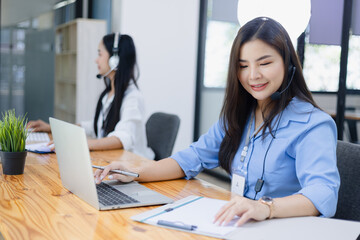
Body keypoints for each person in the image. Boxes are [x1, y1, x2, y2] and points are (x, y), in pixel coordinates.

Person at [94, 17, 340, 226]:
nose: (253, 75)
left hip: (282, 228)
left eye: (265, 63)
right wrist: (136, 173)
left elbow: (323, 193)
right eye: (243, 66)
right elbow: (191, 158)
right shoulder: (238, 115)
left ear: (288, 64)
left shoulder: (312, 124)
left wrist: (266, 208)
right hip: (238, 225)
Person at [28, 33, 154, 159]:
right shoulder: (108, 95)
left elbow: (121, 139)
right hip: (113, 160)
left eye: (100, 54)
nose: (96, 60)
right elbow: (94, 127)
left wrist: (78, 144)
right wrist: (52, 129)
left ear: (114, 60)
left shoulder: (133, 98)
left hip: (134, 164)